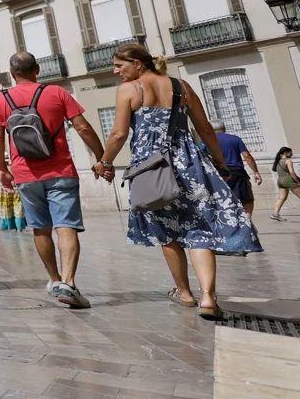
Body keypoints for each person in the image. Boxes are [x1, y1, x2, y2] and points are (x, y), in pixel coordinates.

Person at [96, 44, 261, 320]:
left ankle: (184, 292)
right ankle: (208, 297)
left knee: (166, 231)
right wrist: (219, 162)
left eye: (118, 65)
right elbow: (204, 127)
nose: (115, 72)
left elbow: (118, 134)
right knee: (199, 228)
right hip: (190, 163)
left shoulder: (130, 89)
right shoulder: (180, 86)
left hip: (152, 167)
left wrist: (104, 162)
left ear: (137, 64)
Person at [0, 51, 106, 310]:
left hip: (25, 174)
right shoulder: (57, 93)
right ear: (38, 70)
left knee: (40, 228)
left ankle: (54, 280)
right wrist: (101, 157)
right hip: (61, 170)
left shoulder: (1, 100)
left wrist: (1, 169)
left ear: (12, 74)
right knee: (66, 226)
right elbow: (83, 128)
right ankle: (69, 282)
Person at [212, 122, 262, 219]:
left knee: (223, 198)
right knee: (246, 198)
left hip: (219, 172)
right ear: (224, 128)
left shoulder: (209, 141)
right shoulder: (235, 139)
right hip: (237, 172)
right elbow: (247, 156)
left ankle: (229, 220)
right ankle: (247, 219)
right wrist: (256, 172)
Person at [270, 147, 300, 222]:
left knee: (282, 198)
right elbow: (292, 173)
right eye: (290, 152)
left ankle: (275, 214)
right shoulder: (288, 161)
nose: (292, 154)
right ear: (286, 152)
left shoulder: (278, 161)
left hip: (280, 181)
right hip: (288, 180)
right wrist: (298, 181)